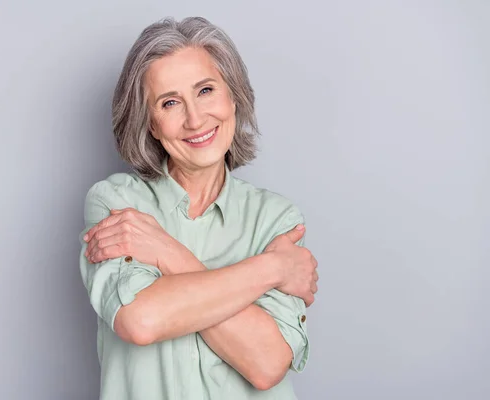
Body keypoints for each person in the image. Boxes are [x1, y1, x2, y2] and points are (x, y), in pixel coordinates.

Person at [79, 16, 319, 400]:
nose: (195, 119)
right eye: (170, 102)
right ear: (152, 124)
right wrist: (273, 268)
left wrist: (163, 251)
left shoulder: (277, 219)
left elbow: (266, 364)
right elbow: (141, 319)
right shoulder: (116, 204)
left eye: (206, 90)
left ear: (233, 97)